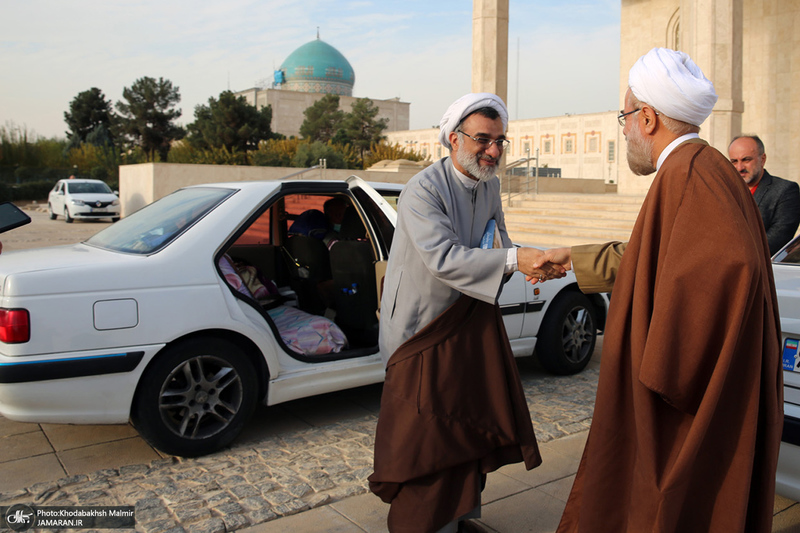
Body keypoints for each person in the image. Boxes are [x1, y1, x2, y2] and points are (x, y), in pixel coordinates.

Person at [533, 48, 782, 532]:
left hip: (678, 401)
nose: (623, 130)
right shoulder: (697, 168)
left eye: (625, 116)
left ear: (647, 117)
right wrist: (573, 258)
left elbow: (732, 268)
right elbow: (659, 257)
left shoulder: (691, 173)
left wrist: (662, 363)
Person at [368, 93, 563, 533]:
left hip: (465, 324)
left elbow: (499, 242)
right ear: (453, 140)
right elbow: (445, 259)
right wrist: (515, 261)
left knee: (464, 428)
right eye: (483, 140)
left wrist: (533, 264)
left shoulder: (490, 184)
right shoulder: (422, 189)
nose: (493, 151)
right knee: (425, 437)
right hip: (420, 333)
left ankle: (456, 519)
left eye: (500, 141)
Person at [728, 134, 800, 255]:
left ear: (762, 159)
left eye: (746, 160)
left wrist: (731, 255)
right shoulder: (726, 191)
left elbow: (777, 239)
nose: (739, 167)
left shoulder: (785, 190)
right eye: (734, 161)